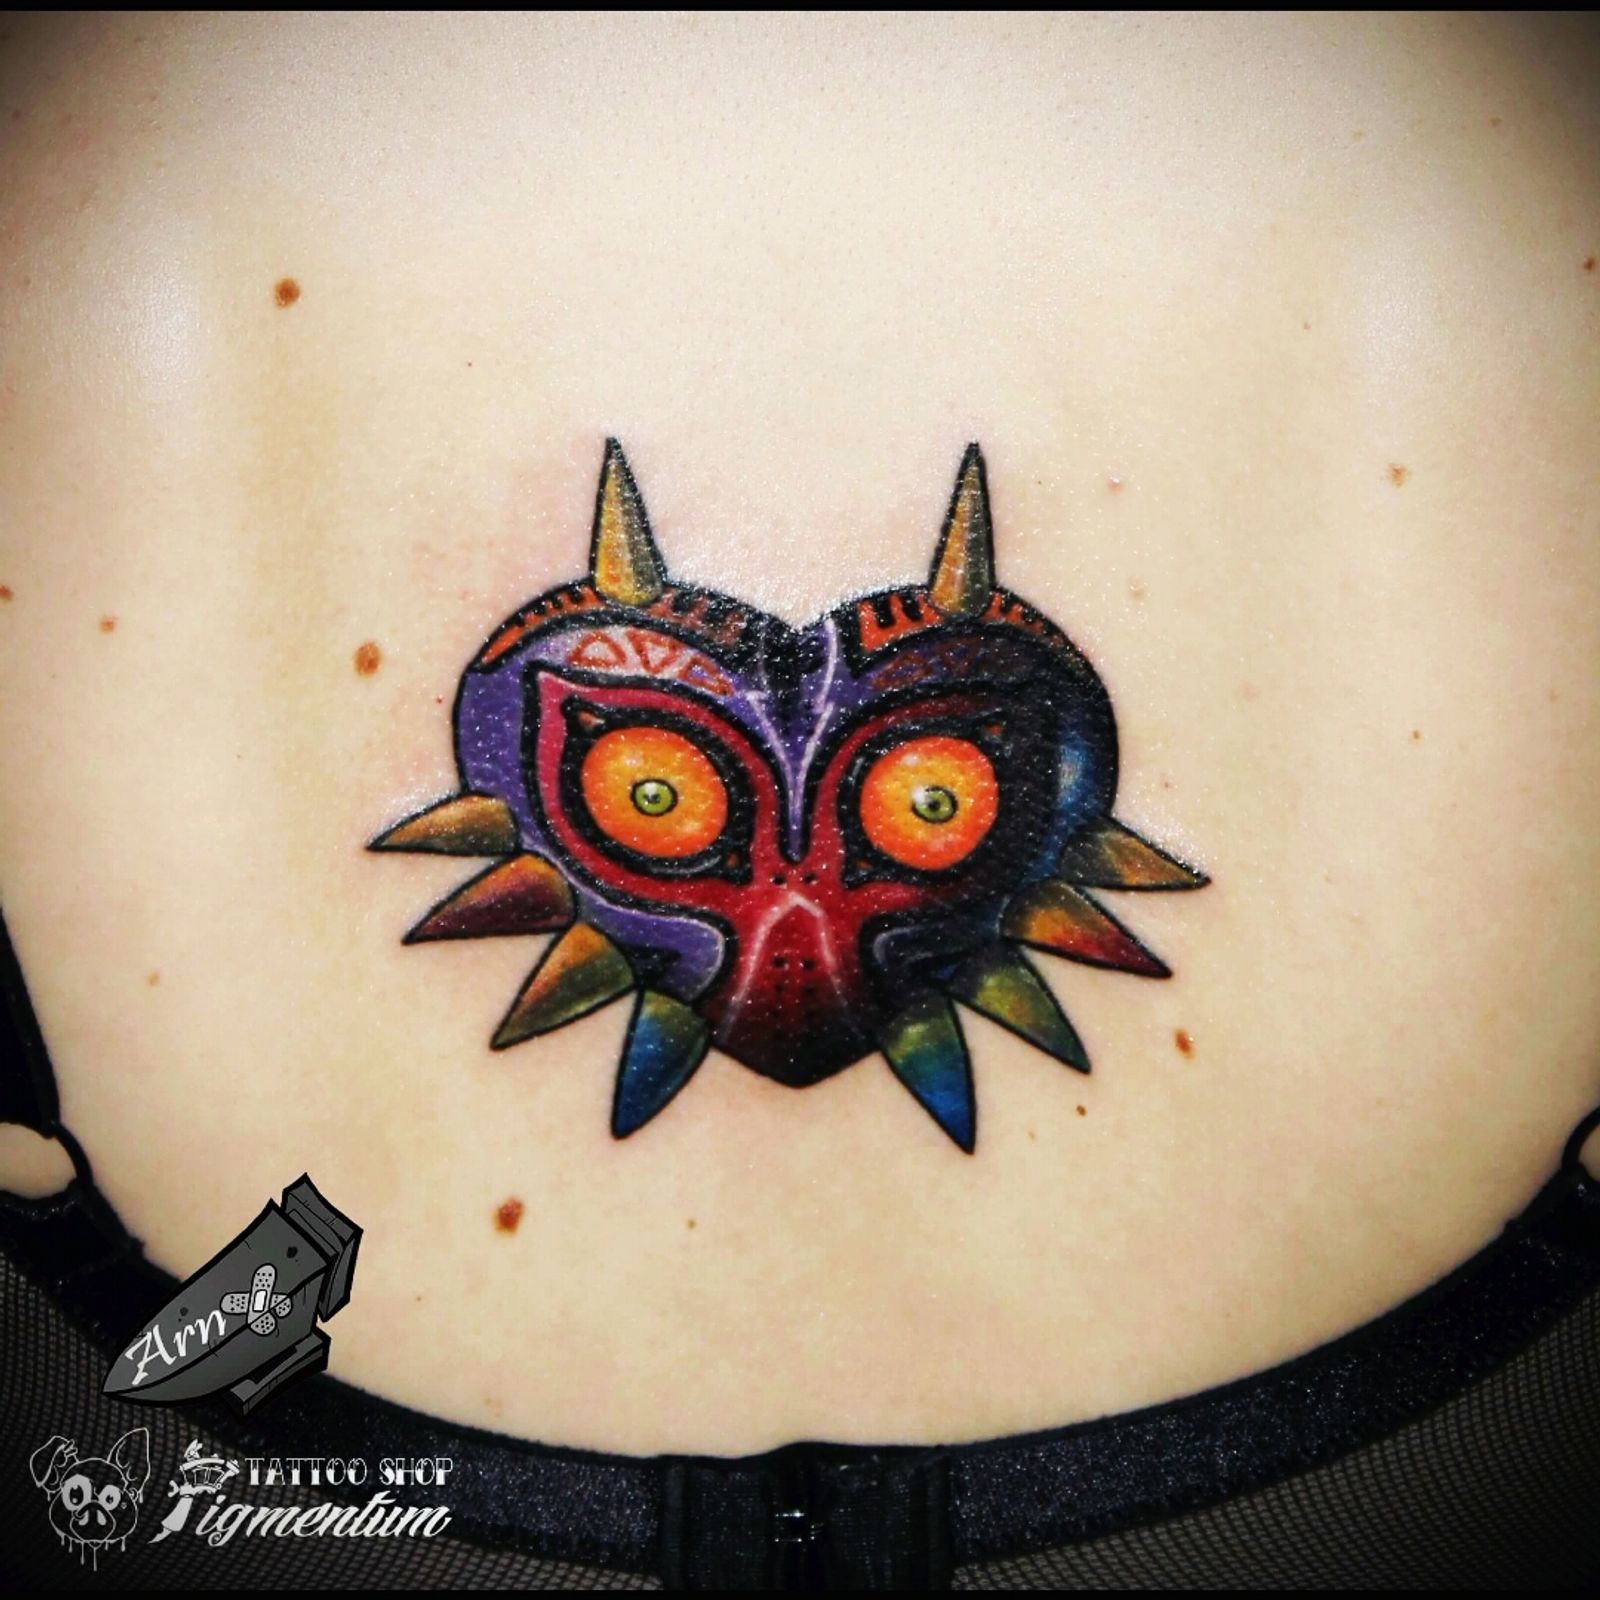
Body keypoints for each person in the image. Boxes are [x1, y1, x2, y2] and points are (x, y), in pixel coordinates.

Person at [2, 13, 1598, 1587]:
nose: (791, 944)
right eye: (654, 795)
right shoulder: (1510, 112)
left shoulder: (84, 111)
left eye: (926, 803)